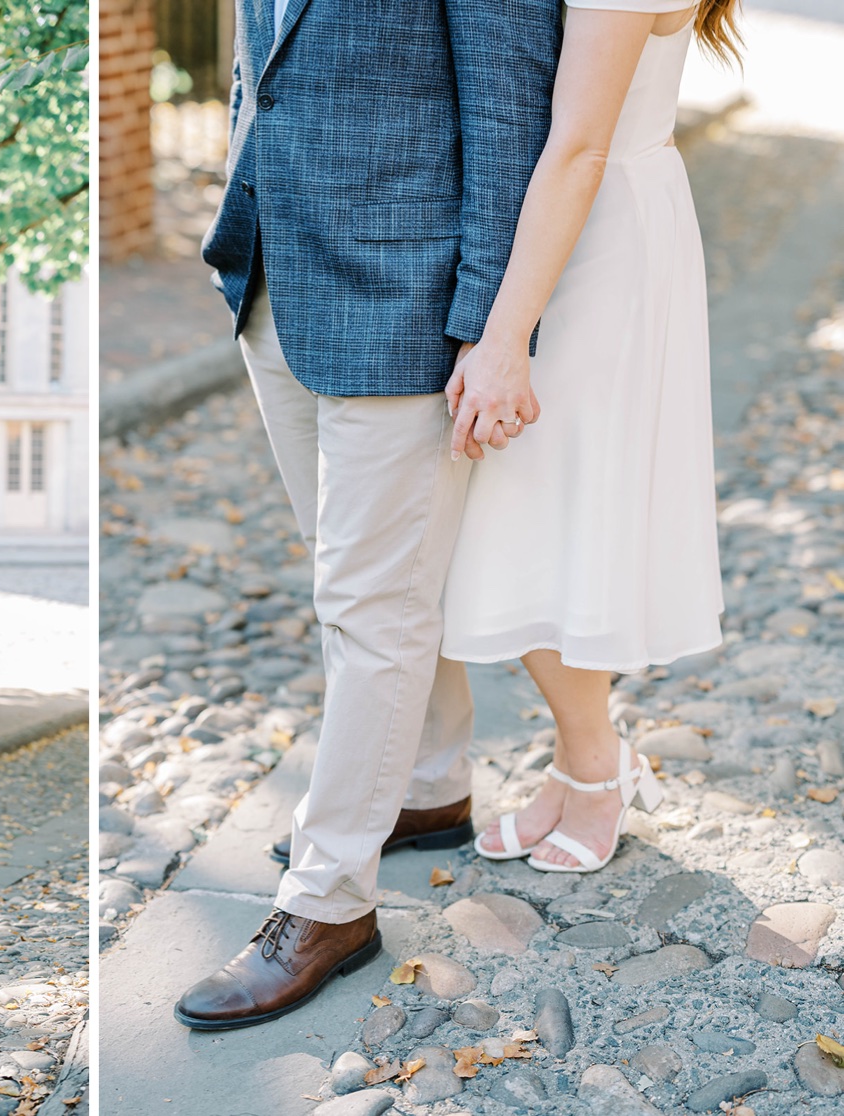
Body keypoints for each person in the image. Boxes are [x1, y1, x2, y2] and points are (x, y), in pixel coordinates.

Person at [173, 1, 563, 1031]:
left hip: (406, 296)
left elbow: (511, 119)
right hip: (273, 276)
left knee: (371, 605)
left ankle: (328, 901)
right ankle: (428, 783)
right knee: (362, 581)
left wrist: (493, 326)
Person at [442, 0, 737, 872]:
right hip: (571, 223)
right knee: (539, 513)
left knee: (540, 506)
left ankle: (597, 768)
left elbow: (578, 147)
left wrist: (504, 341)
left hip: (591, 237)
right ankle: (583, 762)